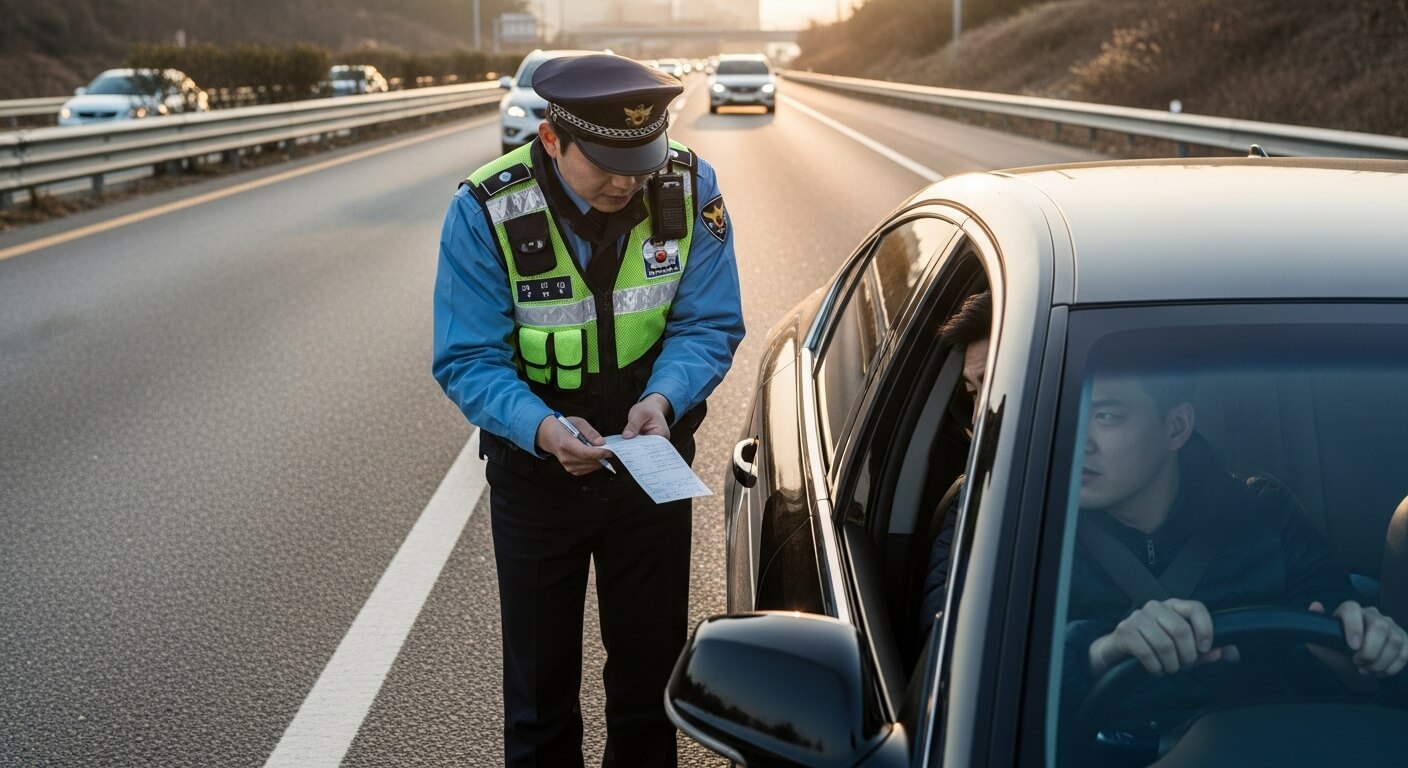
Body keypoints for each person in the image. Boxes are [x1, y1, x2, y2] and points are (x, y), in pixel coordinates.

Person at [431, 53, 744, 768]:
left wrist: (662, 401)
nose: (626, 181)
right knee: (540, 703)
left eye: (641, 159)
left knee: (648, 688)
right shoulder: (484, 209)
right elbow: (467, 358)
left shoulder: (690, 187)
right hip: (537, 480)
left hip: (650, 466)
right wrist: (541, 428)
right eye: (604, 163)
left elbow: (708, 323)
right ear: (550, 140)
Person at [1062, 367, 1408, 724]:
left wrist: (1366, 652)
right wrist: (1100, 654)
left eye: (1106, 416)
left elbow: (1342, 642)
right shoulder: (1033, 530)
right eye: (1070, 414)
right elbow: (1014, 695)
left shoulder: (1265, 513)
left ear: (1176, 427)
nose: (1078, 438)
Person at [916, 290, 991, 644]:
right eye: (973, 394)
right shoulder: (976, 505)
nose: (978, 418)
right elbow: (945, 647)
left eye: (996, 387)